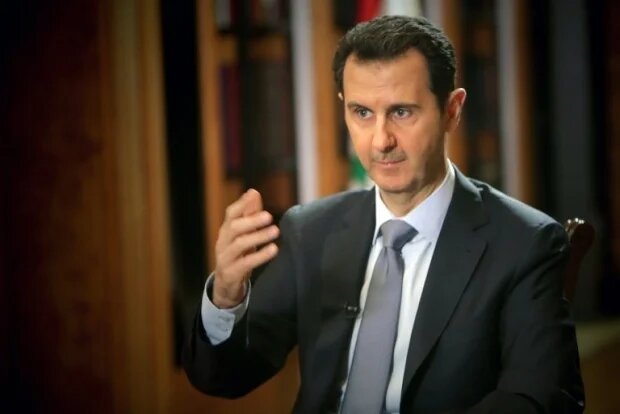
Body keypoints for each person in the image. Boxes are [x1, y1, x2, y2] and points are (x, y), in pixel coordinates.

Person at [183, 15, 584, 414]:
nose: (380, 141)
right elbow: (224, 377)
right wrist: (226, 298)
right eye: (362, 113)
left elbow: (540, 397)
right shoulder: (310, 232)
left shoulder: (525, 244)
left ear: (452, 110)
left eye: (402, 112)